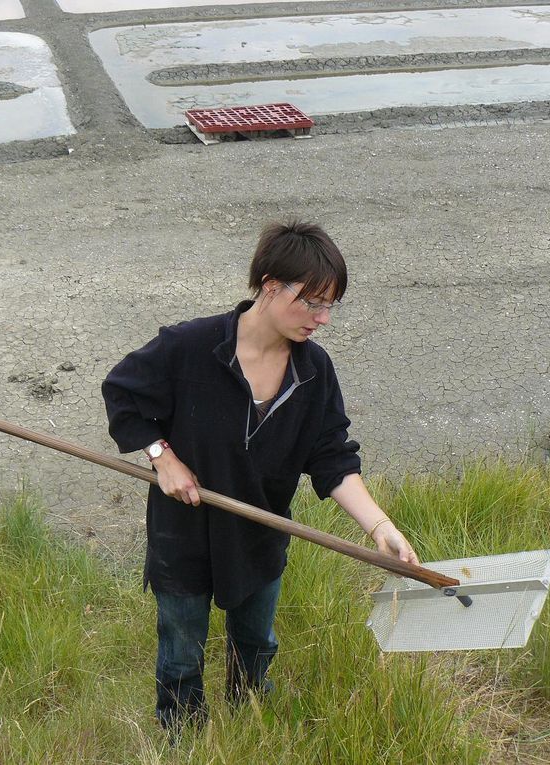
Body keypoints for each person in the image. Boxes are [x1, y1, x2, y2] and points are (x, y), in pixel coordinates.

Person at [101, 219, 418, 733]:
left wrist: (380, 528)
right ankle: (183, 737)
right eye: (312, 303)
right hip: (183, 532)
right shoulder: (189, 347)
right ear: (270, 287)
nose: (322, 319)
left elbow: (333, 458)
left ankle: (251, 723)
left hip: (260, 532)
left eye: (330, 304)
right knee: (181, 654)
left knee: (256, 644)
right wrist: (164, 456)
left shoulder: (313, 372)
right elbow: (123, 393)